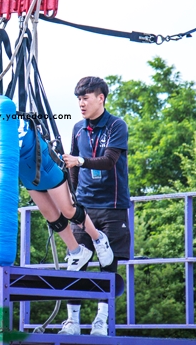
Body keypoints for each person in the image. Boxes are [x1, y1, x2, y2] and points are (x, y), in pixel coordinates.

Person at [0, 87, 113, 272]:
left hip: (45, 169)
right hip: (28, 176)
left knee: (69, 210)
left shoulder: (14, 122)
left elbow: (10, 154)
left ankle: (98, 239)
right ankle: (77, 251)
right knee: (51, 216)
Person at [58, 76, 131, 337]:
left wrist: (80, 161)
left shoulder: (117, 125)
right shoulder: (78, 128)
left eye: (85, 98)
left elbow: (109, 161)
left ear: (101, 98)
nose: (81, 103)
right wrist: (73, 197)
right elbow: (72, 167)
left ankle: (101, 321)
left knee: (107, 265)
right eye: (79, 98)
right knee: (76, 262)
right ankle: (72, 321)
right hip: (85, 207)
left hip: (113, 206)